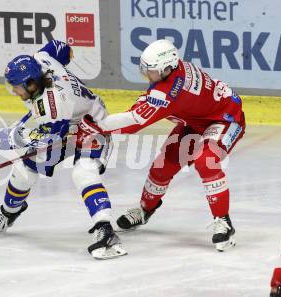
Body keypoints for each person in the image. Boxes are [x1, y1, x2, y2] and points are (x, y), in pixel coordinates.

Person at [78, 39, 245, 252]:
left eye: (151, 72)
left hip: (226, 121)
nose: (148, 76)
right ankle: (145, 210)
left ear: (166, 69)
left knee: (206, 161)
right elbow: (146, 106)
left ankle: (224, 221)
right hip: (196, 122)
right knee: (163, 165)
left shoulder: (170, 91)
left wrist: (96, 127)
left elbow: (133, 122)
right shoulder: (174, 72)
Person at [0, 40, 127, 259]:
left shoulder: (53, 105)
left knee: (83, 171)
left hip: (93, 125)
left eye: (17, 86)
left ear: (31, 83)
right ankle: (9, 214)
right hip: (66, 123)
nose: (14, 91)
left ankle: (105, 230)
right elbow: (61, 48)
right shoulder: (41, 58)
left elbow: (49, 137)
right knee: (24, 170)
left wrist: (13, 138)